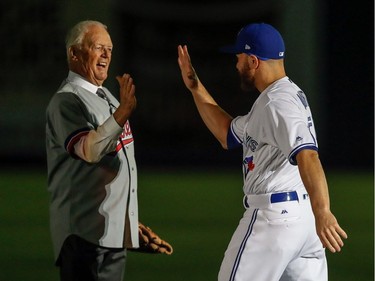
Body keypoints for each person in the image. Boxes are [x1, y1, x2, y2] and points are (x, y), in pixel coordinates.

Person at [177, 23, 348, 281]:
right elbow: (226, 133)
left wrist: (323, 210)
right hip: (302, 225)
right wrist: (194, 85)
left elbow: (308, 155)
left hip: (275, 221)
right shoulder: (280, 98)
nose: (236, 65)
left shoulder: (277, 103)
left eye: (239, 58)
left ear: (253, 61)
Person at [46, 20, 139, 281]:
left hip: (110, 234)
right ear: (74, 54)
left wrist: (129, 222)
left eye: (109, 48)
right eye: (98, 47)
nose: (107, 54)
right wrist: (121, 115)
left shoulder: (107, 96)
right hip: (85, 237)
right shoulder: (66, 101)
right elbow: (89, 150)